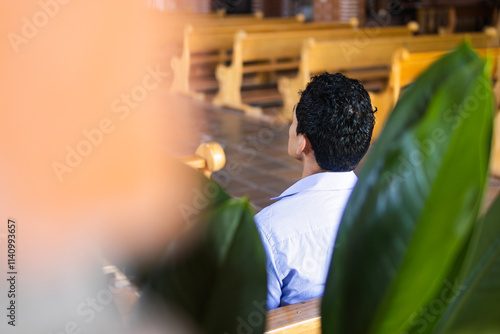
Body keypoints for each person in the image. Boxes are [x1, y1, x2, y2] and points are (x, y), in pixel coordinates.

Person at [254, 72, 376, 309]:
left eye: (293, 123)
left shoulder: (269, 230)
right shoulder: (386, 209)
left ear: (302, 143)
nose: (291, 129)